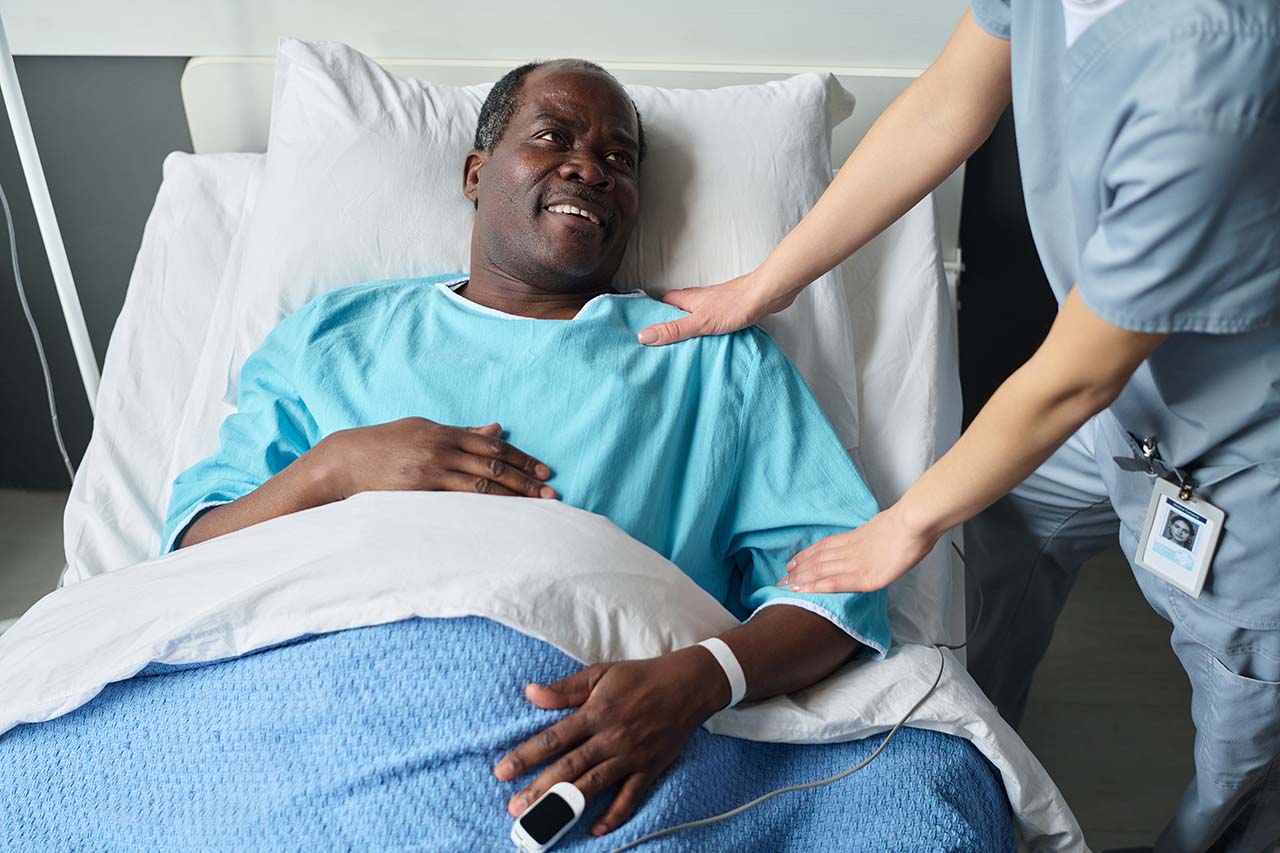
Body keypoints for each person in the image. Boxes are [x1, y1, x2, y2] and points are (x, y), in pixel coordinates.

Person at [162, 59, 893, 838]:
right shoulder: (333, 336)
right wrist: (335, 468)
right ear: (476, 174)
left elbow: (842, 587)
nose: (591, 167)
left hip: (605, 738)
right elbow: (192, 556)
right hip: (324, 708)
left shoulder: (710, 359)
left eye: (620, 159)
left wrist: (700, 679)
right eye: (554, 137)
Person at [634, 3, 1280, 851]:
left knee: (1247, 724)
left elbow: (1074, 379)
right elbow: (948, 100)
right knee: (1001, 536)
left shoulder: (1216, 63)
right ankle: (984, 737)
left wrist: (904, 523)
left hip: (1233, 433)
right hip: (1114, 403)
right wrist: (765, 284)